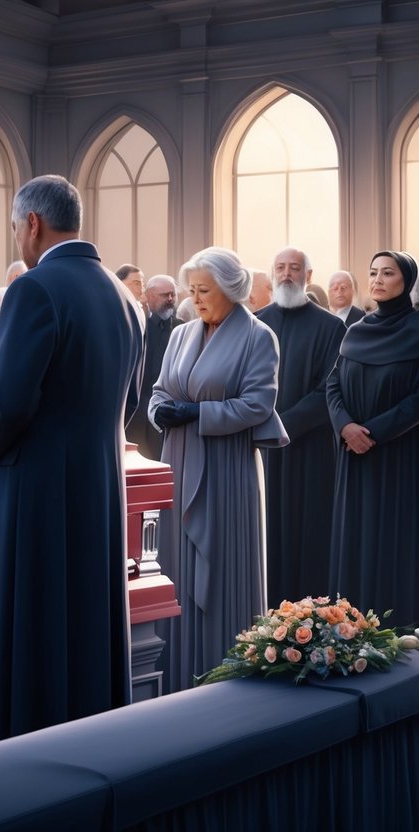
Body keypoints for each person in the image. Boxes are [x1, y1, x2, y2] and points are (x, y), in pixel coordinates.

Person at [0, 174, 143, 739]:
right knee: (89, 616)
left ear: (32, 224)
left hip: (41, 485)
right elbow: (133, 400)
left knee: (40, 621)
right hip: (101, 483)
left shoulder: (34, 288)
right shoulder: (123, 295)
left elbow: (8, 400)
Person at [149, 246, 287, 693]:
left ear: (231, 290)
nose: (197, 298)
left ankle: (228, 675)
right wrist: (162, 413)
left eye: (204, 290)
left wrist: (196, 413)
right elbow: (158, 391)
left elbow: (257, 403)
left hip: (228, 471)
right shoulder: (181, 334)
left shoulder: (258, 337)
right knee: (176, 567)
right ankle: (176, 678)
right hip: (179, 461)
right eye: (192, 290)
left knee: (223, 566)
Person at [328, 251, 419, 626]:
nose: (378, 279)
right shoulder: (356, 330)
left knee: (395, 541)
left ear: (407, 281)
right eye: (373, 272)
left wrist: (375, 433)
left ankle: (399, 628)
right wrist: (345, 426)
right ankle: (352, 627)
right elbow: (332, 385)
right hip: (355, 456)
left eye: (388, 273)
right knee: (357, 541)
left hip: (400, 456)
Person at [256, 246, 344, 605]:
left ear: (309, 276)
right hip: (264, 449)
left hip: (311, 451)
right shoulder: (255, 323)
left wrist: (280, 424)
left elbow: (330, 387)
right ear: (272, 273)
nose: (287, 274)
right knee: (267, 533)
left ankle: (314, 619)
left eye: (295, 268)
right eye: (280, 267)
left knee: (309, 535)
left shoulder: (332, 326)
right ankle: (266, 619)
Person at [126, 274, 179, 460]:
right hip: (140, 408)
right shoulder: (139, 327)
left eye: (173, 295)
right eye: (165, 295)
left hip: (172, 406)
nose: (170, 299)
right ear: (148, 296)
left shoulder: (182, 329)